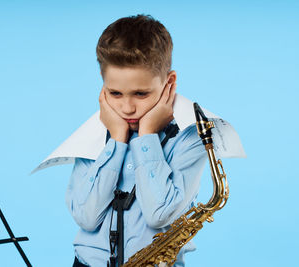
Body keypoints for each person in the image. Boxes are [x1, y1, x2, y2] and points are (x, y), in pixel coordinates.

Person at [65, 14, 207, 267]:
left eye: (141, 93)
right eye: (115, 93)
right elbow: (87, 217)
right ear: (103, 84)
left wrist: (147, 136)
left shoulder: (192, 138)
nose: (127, 108)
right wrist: (117, 141)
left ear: (169, 83)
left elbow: (158, 214)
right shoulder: (93, 133)